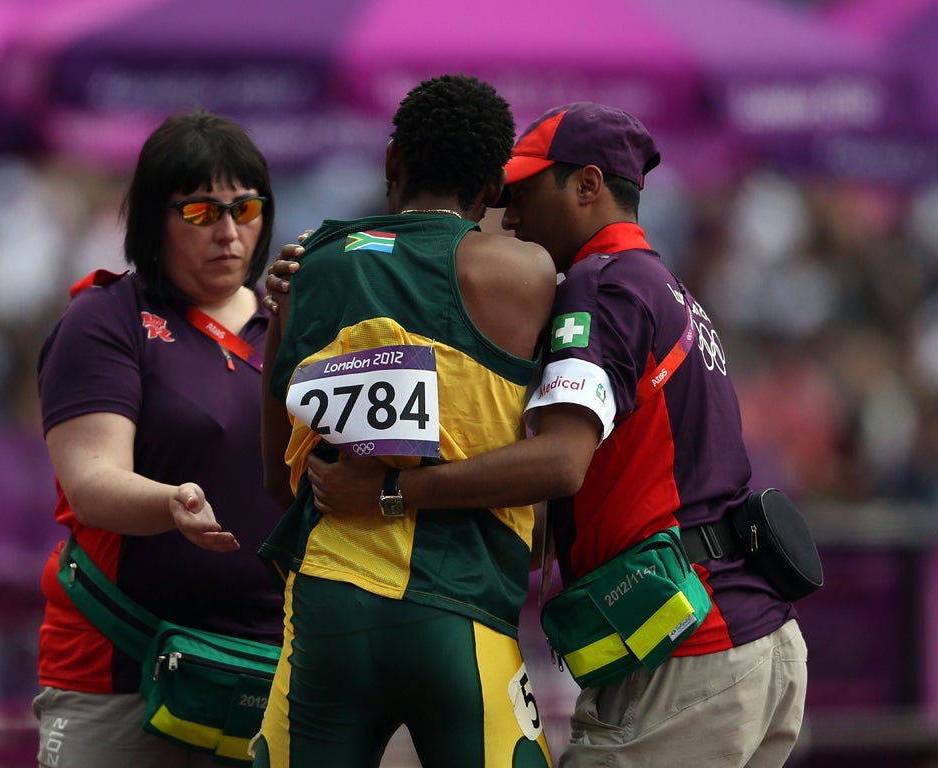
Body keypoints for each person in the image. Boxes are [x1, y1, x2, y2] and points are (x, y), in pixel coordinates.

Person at [300, 103, 809, 767]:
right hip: (755, 644)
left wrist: (392, 490)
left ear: (588, 186)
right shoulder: (663, 285)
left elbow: (561, 462)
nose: (509, 216)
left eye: (523, 193)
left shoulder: (601, 286)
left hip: (689, 654)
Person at [252, 74, 556, 768]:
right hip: (459, 610)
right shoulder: (526, 273)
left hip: (326, 607)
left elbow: (279, 479)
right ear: (493, 187)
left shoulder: (305, 269)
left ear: (393, 163)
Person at [33, 110, 284, 768]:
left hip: (276, 669)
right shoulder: (106, 319)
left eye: (246, 208)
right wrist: (170, 503)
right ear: (152, 220)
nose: (229, 234)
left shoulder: (296, 325)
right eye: (200, 213)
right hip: (124, 670)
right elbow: (92, 483)